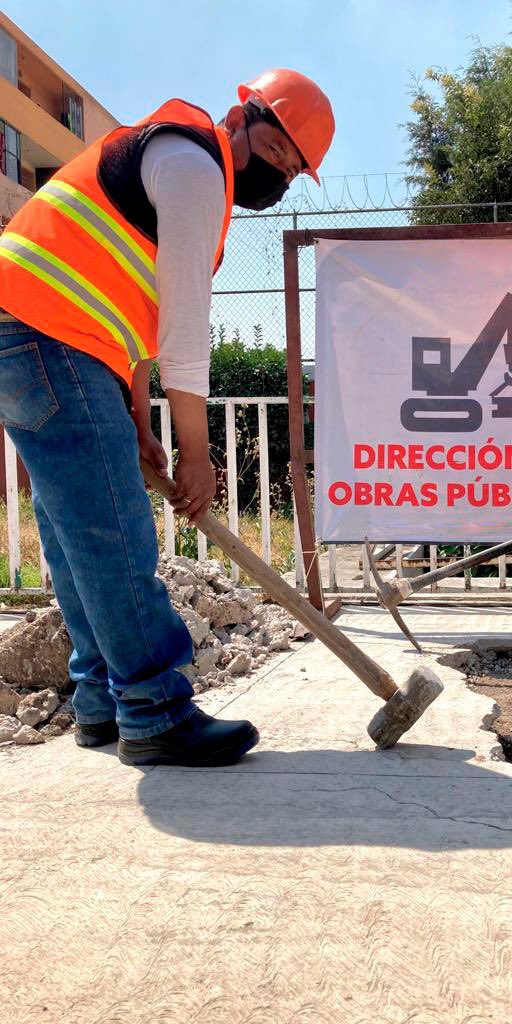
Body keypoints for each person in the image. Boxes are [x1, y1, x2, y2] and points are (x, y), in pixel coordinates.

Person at [0, 69, 334, 765]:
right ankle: (153, 710)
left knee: (73, 533)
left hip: (44, 334)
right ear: (242, 116)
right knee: (114, 532)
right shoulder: (192, 167)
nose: (276, 173)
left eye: (292, 169)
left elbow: (140, 315)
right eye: (275, 151)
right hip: (47, 334)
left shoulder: (175, 162)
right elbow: (186, 326)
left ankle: (99, 704)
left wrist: (141, 419)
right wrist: (196, 451)